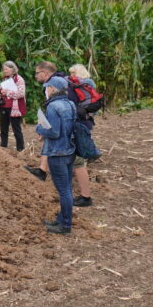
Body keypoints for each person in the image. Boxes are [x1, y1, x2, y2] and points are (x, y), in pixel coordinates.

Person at [36, 77, 77, 235]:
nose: (46, 90)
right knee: (67, 188)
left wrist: (40, 129)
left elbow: (53, 132)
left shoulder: (53, 106)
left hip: (57, 152)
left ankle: (65, 225)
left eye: (47, 88)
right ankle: (62, 219)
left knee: (64, 190)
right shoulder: (70, 104)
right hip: (70, 151)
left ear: (52, 89)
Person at [68, 63, 97, 207]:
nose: (71, 76)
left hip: (80, 122)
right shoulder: (88, 84)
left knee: (79, 158)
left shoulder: (82, 84)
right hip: (85, 121)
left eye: (73, 73)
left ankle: (85, 196)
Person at [24, 61, 57, 181]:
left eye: (37, 73)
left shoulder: (52, 85)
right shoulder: (58, 82)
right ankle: (43, 170)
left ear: (46, 72)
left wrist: (43, 128)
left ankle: (44, 171)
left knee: (50, 139)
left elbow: (55, 108)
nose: (35, 76)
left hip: (61, 121)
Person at [0, 61, 27, 151]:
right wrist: (0, 92)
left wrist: (7, 92)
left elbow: (21, 94)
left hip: (14, 108)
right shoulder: (5, 79)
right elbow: (1, 90)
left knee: (16, 129)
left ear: (12, 69)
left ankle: (20, 149)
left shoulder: (19, 79)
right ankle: (3, 147)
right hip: (4, 106)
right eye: (3, 69)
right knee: (3, 128)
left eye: (6, 69)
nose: (4, 71)